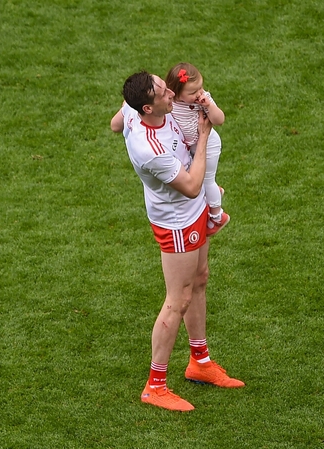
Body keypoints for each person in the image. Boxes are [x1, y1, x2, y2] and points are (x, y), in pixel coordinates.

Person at [110, 71, 244, 412]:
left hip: (194, 213)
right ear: (147, 108)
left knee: (199, 280)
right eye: (163, 93)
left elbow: (115, 124)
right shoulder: (150, 150)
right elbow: (192, 186)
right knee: (177, 299)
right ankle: (155, 386)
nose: (171, 93)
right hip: (177, 223)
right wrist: (203, 136)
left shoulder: (133, 110)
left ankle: (200, 362)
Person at [165, 62, 229, 236]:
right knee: (195, 175)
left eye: (200, 87)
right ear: (175, 92)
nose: (199, 93)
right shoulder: (171, 103)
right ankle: (214, 192)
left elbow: (219, 120)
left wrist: (209, 106)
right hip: (191, 146)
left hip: (209, 144)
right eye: (193, 92)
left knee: (206, 180)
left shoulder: (203, 100)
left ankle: (217, 216)